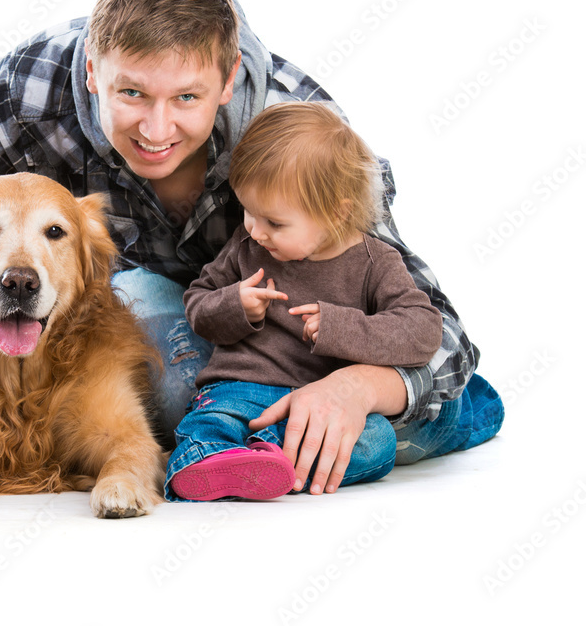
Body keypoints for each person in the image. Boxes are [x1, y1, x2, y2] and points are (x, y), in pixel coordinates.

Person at [0, 0, 502, 494]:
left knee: (389, 411)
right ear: (92, 70)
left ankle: (329, 427)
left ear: (227, 81)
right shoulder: (24, 95)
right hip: (150, 310)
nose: (157, 129)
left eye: (187, 99)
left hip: (294, 335)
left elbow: (435, 325)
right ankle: (242, 442)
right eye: (133, 94)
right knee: (161, 382)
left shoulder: (298, 131)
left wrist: (364, 383)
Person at [167, 102, 443, 501]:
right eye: (247, 211)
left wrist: (340, 328)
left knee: (376, 440)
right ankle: (210, 462)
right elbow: (197, 302)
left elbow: (422, 330)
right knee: (210, 421)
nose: (253, 230)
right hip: (240, 388)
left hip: (319, 401)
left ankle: (264, 457)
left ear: (336, 213)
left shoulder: (375, 262)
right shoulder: (247, 245)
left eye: (274, 222)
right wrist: (234, 305)